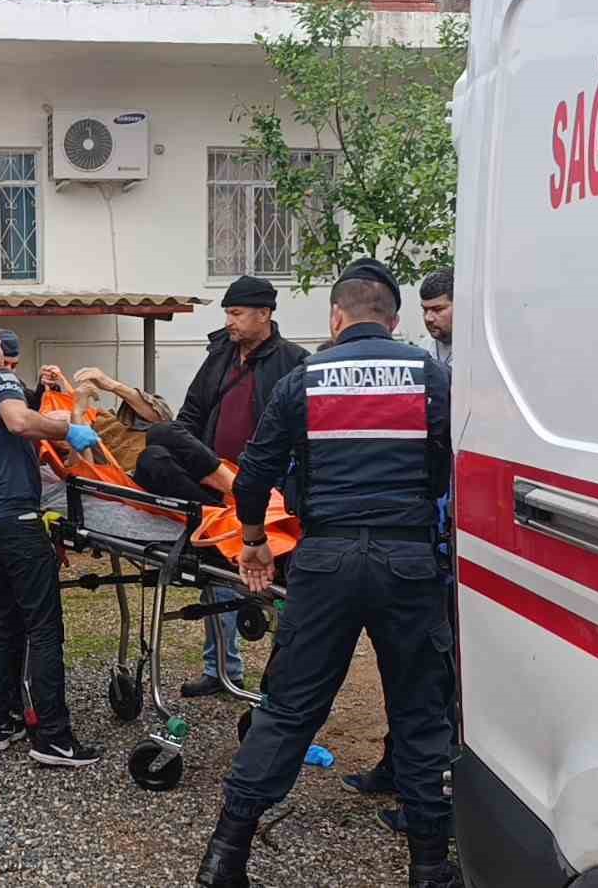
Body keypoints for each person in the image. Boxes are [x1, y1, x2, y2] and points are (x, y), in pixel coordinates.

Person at [194, 259, 459, 888]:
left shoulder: (305, 378)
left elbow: (254, 473)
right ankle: (428, 867)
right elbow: (453, 460)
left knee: (288, 709)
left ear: (336, 318)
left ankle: (225, 856)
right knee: (422, 713)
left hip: (325, 561)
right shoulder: (431, 375)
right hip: (408, 561)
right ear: (394, 321)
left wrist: (254, 541)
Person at [134, 275, 309, 698]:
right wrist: (187, 454)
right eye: (227, 313)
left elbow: (303, 435)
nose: (229, 322)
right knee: (155, 446)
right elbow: (190, 415)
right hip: (214, 489)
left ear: (264, 314)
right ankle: (219, 669)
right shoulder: (220, 357)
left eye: (236, 313)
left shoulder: (296, 362)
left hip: (270, 494)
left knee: (283, 593)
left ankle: (281, 688)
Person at [0, 318, 105, 767]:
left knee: (1, 626)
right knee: (44, 628)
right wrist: (66, 430)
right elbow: (17, 421)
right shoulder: (0, 379)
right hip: (15, 520)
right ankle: (52, 738)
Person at [344, 266, 457, 825]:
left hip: (437, 539)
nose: (431, 319)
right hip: (415, 537)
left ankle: (431, 802)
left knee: (428, 677)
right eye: (426, 310)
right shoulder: (429, 366)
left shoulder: (457, 370)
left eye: (440, 309)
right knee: (408, 669)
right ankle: (399, 768)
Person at [420, 267, 453, 367]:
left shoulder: (479, 350)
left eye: (437, 309)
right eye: (425, 310)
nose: (428, 318)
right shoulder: (424, 347)